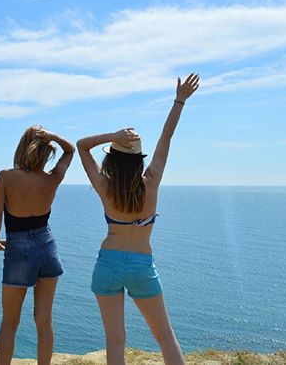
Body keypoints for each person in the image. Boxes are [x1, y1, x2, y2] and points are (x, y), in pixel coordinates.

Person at [76, 74, 200, 365]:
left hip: (108, 264)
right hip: (142, 265)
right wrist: (179, 100)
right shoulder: (152, 182)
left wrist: (113, 137)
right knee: (165, 336)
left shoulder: (105, 187)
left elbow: (81, 146)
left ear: (111, 160)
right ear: (139, 160)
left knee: (115, 339)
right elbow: (166, 137)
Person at [0, 126, 75, 365]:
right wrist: (53, 136)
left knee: (9, 323)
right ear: (46, 151)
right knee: (44, 321)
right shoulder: (52, 178)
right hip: (47, 246)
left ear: (21, 147)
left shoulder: (6, 176)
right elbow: (70, 150)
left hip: (18, 248)